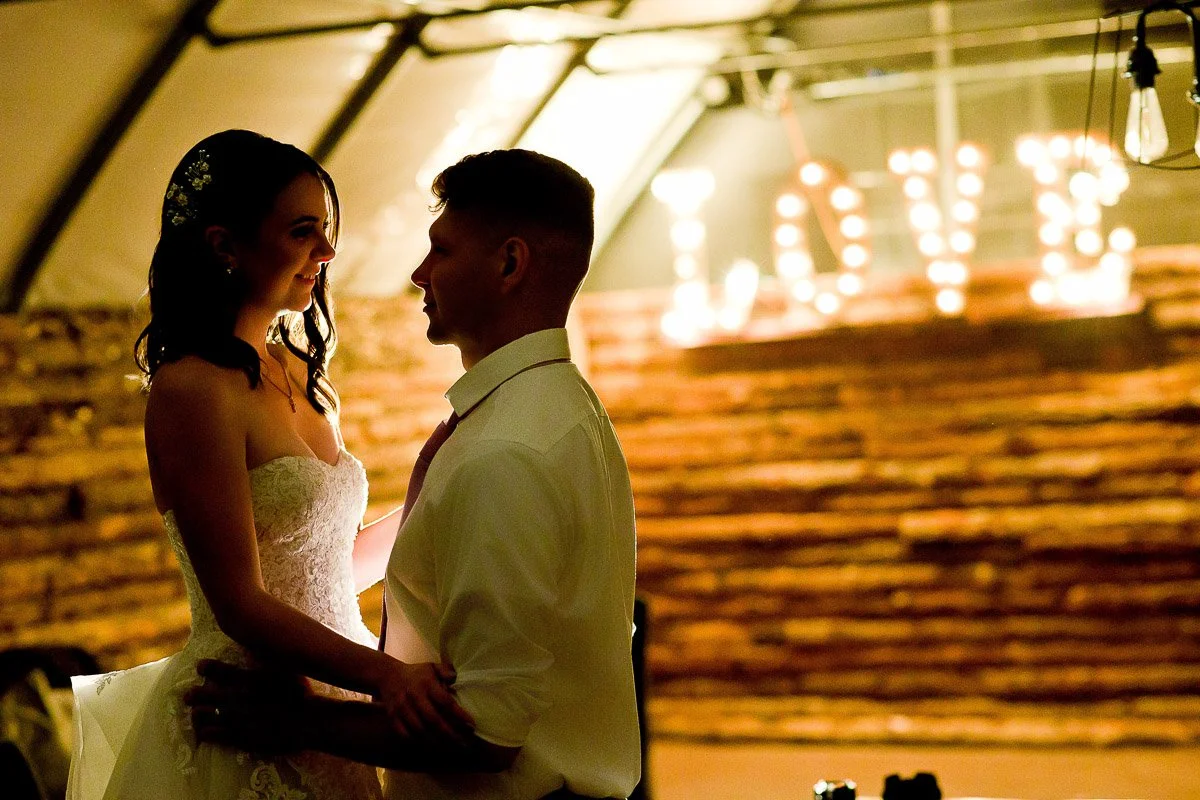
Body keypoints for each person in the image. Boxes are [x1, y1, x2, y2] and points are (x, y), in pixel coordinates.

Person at [188, 148, 641, 800]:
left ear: (510, 264)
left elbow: (485, 734)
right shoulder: (560, 406)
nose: (418, 274)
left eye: (441, 251)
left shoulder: (503, 454)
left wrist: (297, 721)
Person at [67, 129, 470, 800]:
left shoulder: (298, 373)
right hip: (248, 706)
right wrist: (388, 678)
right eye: (302, 232)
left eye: (327, 231)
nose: (328, 252)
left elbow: (327, 564)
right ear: (225, 245)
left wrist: (446, 481)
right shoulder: (192, 388)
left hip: (327, 697)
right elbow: (242, 604)